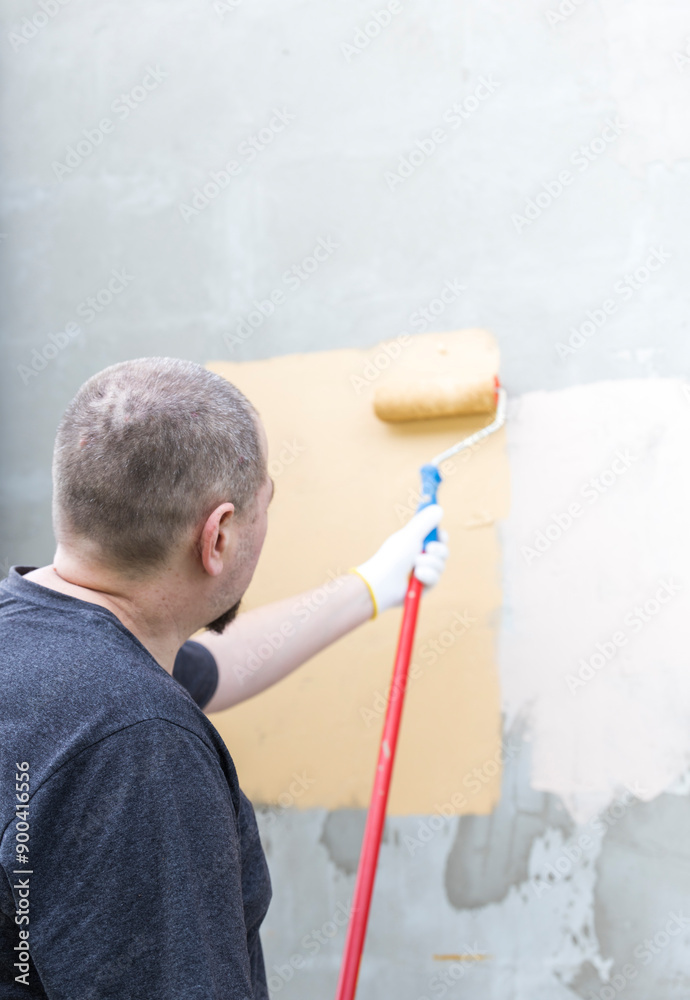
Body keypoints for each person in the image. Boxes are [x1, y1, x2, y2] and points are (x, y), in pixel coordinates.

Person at [0, 356, 448, 999]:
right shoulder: (140, 745)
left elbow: (207, 670)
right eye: (265, 503)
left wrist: (372, 587)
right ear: (218, 537)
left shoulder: (41, 640)